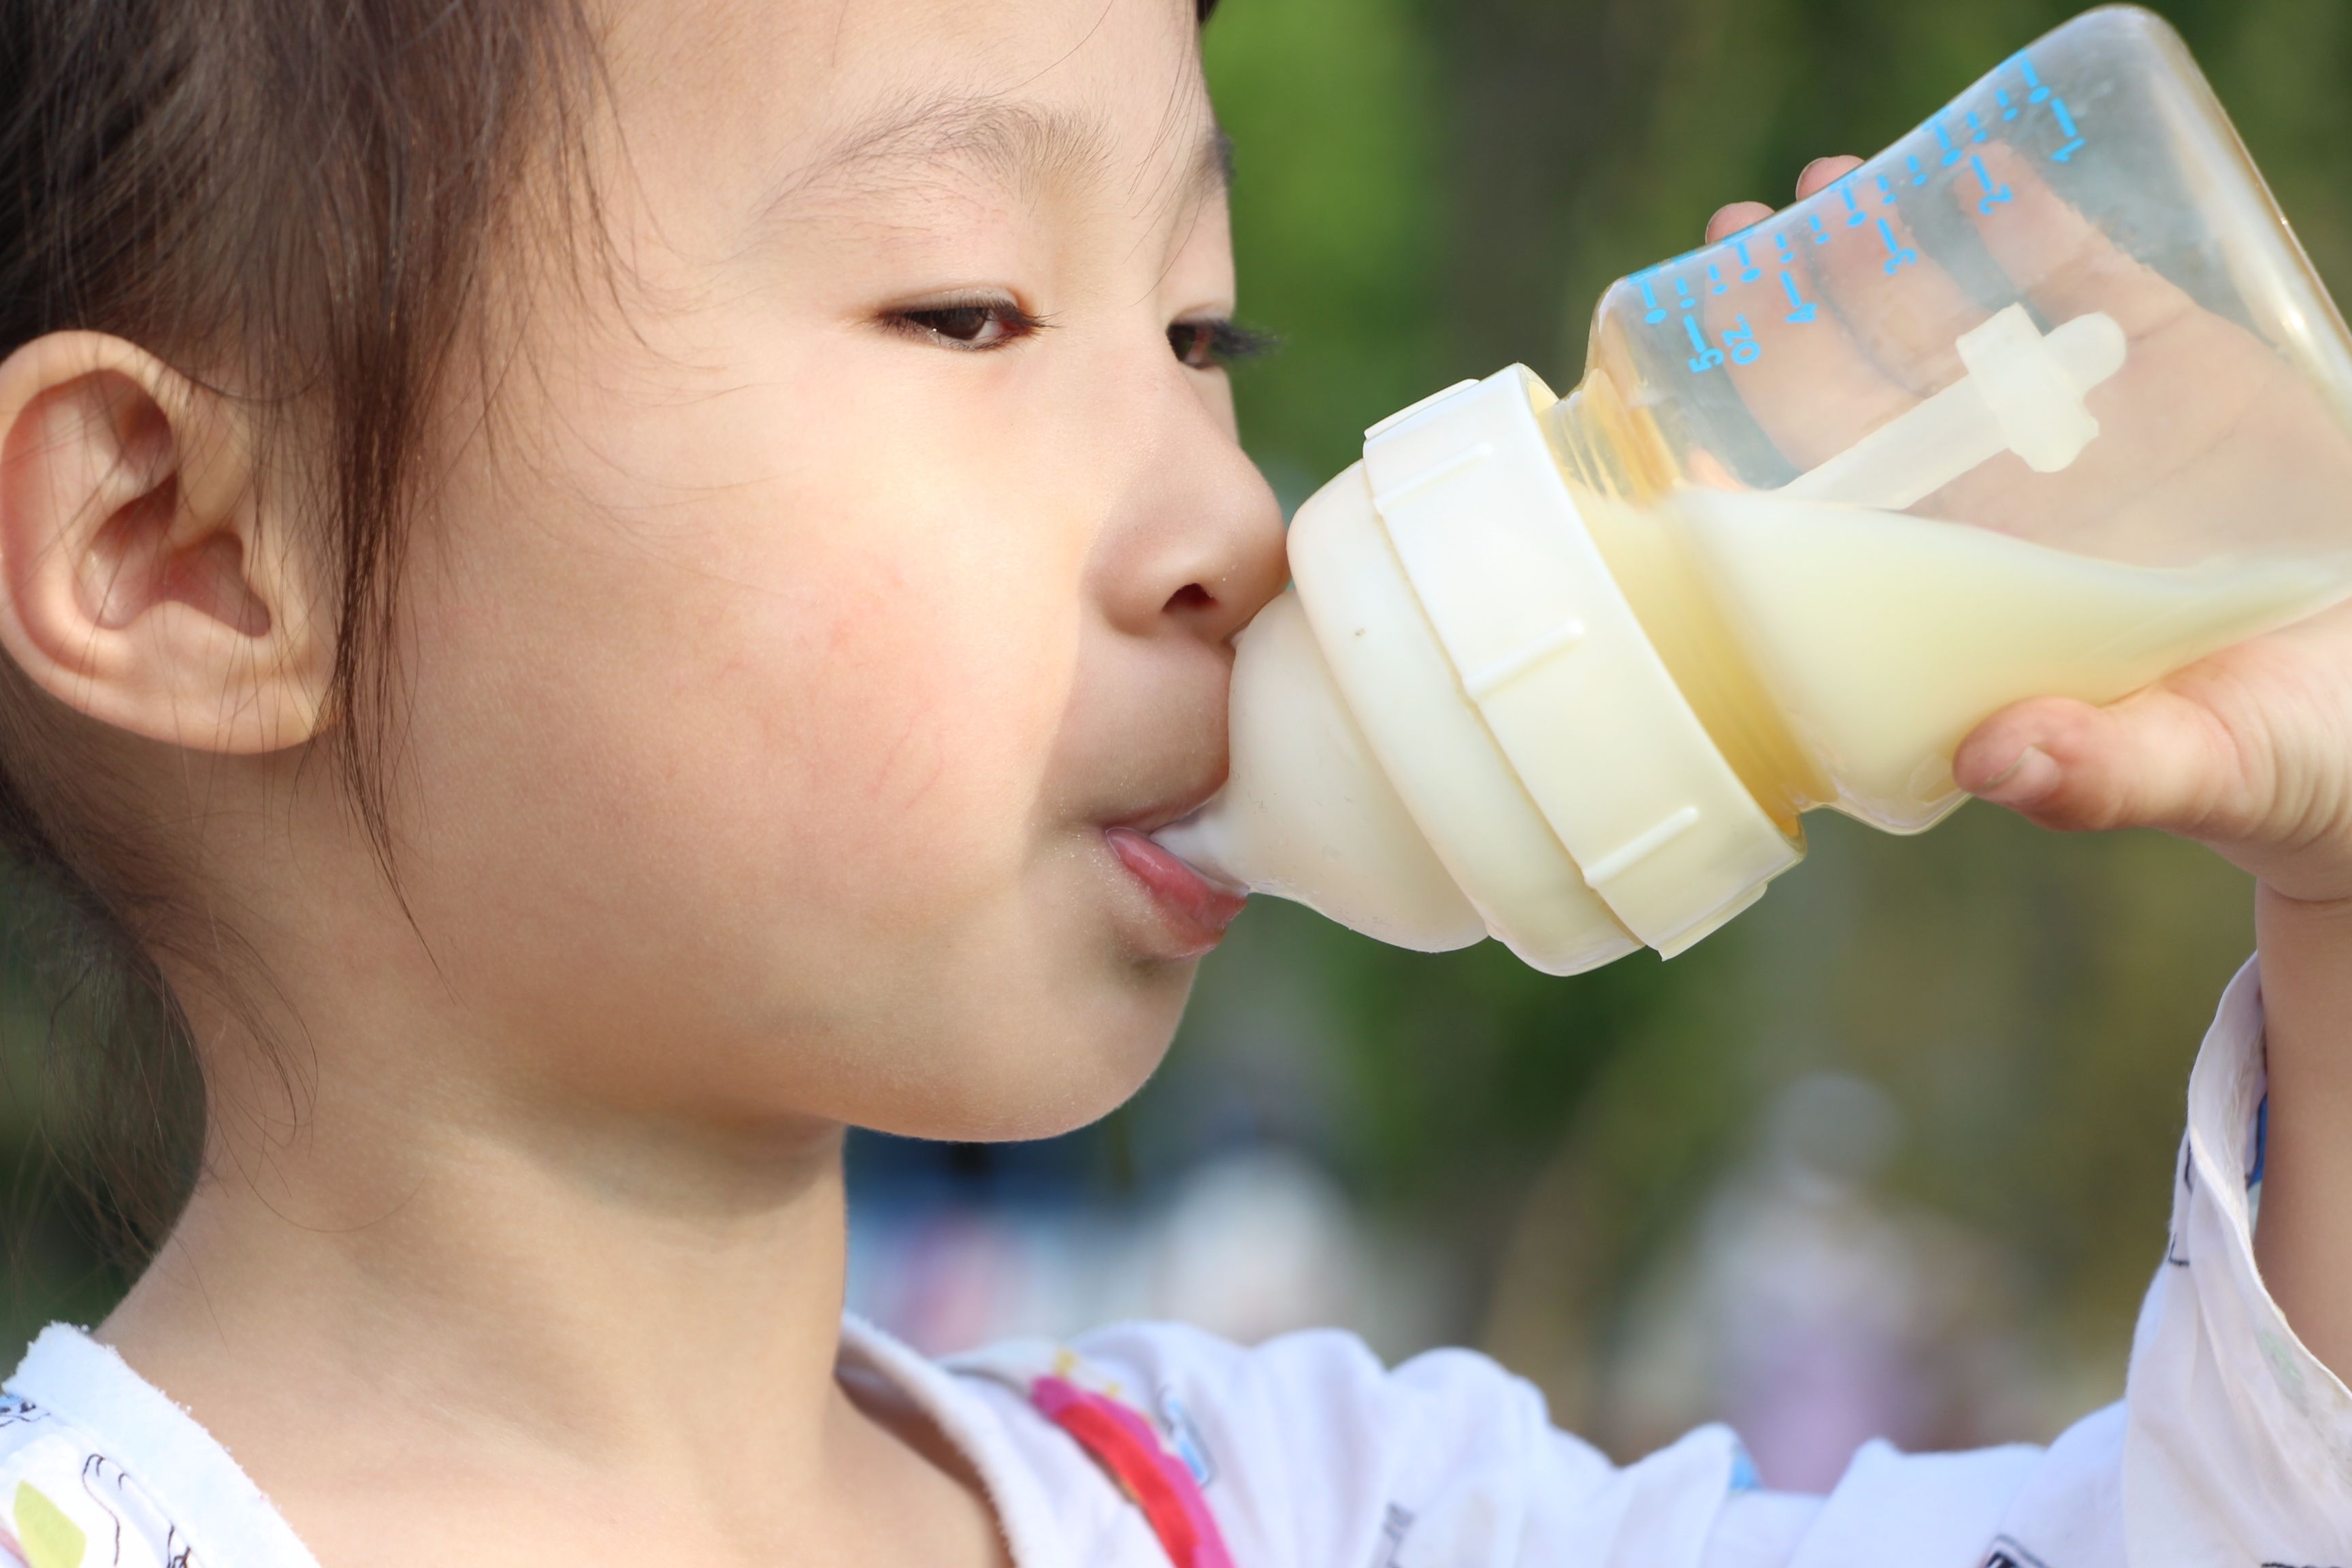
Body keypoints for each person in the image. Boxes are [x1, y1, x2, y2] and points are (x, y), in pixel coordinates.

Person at [0, 1, 2344, 1564]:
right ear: (190, 552)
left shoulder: (1313, 1504)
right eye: (969, 311)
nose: (1241, 520)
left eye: (1204, 332)